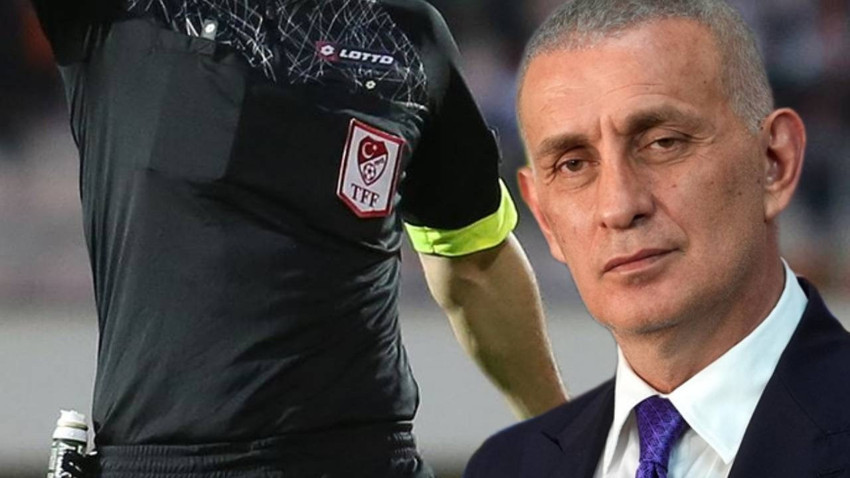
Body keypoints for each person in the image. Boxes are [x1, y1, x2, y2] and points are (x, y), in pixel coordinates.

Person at [26, 0, 569, 476]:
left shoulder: (408, 35)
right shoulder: (120, 12)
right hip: (169, 459)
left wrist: (568, 445)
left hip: (366, 458)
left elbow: (475, 263)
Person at [465, 0, 850, 477]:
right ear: (544, 219)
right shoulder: (506, 468)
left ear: (775, 162)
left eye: (663, 142)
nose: (618, 206)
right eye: (573, 164)